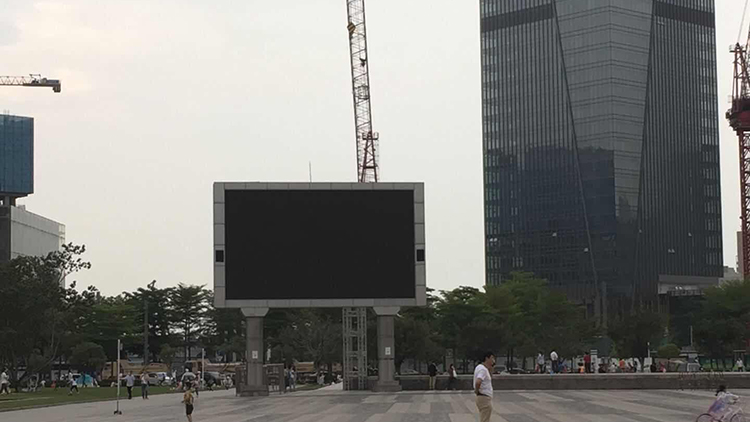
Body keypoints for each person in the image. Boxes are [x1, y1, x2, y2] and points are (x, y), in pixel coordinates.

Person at [474, 351, 495, 422]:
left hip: (482, 397)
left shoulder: (480, 367)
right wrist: (477, 390)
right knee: (485, 420)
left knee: (485, 418)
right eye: (492, 358)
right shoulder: (483, 369)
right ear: (487, 358)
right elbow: (478, 381)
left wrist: (491, 368)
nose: (493, 360)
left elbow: (489, 378)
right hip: (484, 397)